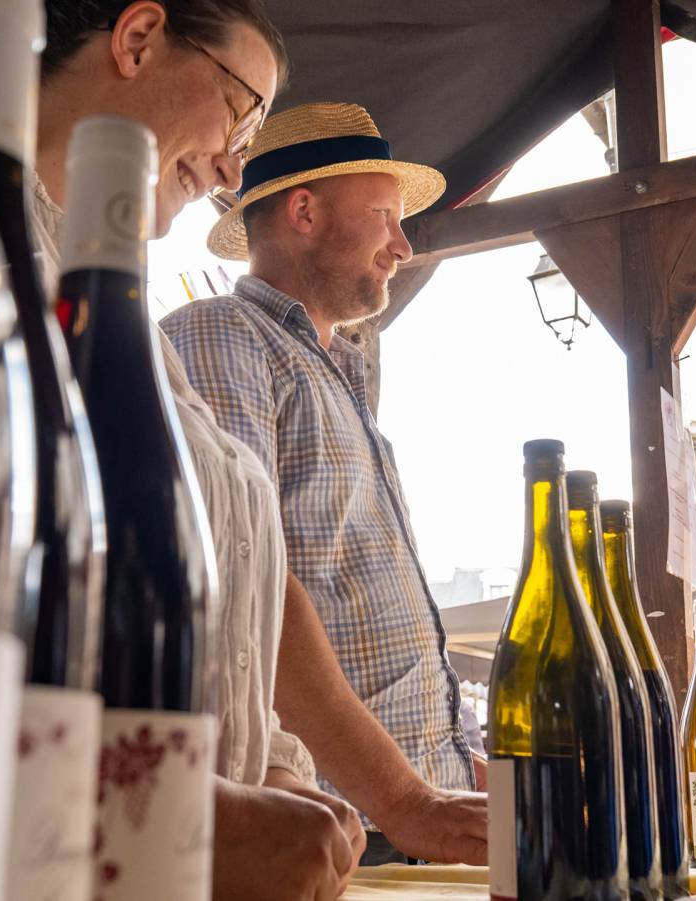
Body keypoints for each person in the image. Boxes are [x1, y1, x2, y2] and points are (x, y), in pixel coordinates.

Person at [34, 4, 365, 897]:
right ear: (138, 38)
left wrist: (272, 765)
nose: (232, 168)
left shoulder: (141, 331)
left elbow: (228, 597)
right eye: (241, 115)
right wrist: (177, 819)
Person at [162, 102, 488, 866]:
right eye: (385, 217)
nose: (403, 246)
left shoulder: (334, 372)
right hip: (335, 826)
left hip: (405, 818)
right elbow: (243, 584)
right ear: (303, 212)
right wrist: (409, 799)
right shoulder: (221, 333)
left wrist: (453, 767)